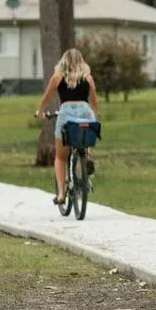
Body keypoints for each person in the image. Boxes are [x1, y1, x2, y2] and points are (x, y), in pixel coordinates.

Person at [35, 48, 99, 205]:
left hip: (66, 113)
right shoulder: (88, 78)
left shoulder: (58, 77)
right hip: (85, 111)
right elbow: (94, 100)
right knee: (86, 136)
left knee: (60, 156)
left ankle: (61, 195)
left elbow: (47, 97)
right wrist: (95, 115)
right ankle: (88, 156)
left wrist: (40, 111)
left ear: (63, 62)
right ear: (81, 62)